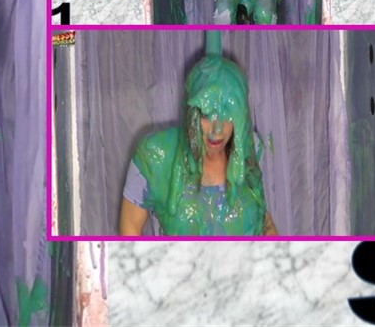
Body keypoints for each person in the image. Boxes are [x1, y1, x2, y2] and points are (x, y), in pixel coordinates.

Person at [119, 34, 278, 236]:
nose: (216, 130)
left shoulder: (249, 148)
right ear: (191, 112)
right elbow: (129, 229)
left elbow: (261, 218)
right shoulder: (155, 156)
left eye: (227, 115)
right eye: (206, 115)